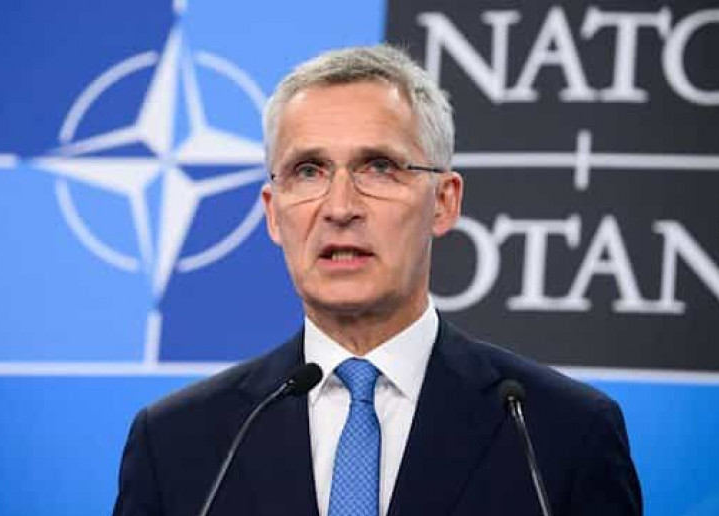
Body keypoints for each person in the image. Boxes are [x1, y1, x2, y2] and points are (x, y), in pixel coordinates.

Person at [113, 44, 642, 516]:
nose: (340, 207)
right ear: (273, 213)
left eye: (379, 167)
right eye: (309, 171)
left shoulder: (559, 434)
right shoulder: (178, 443)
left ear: (444, 201)